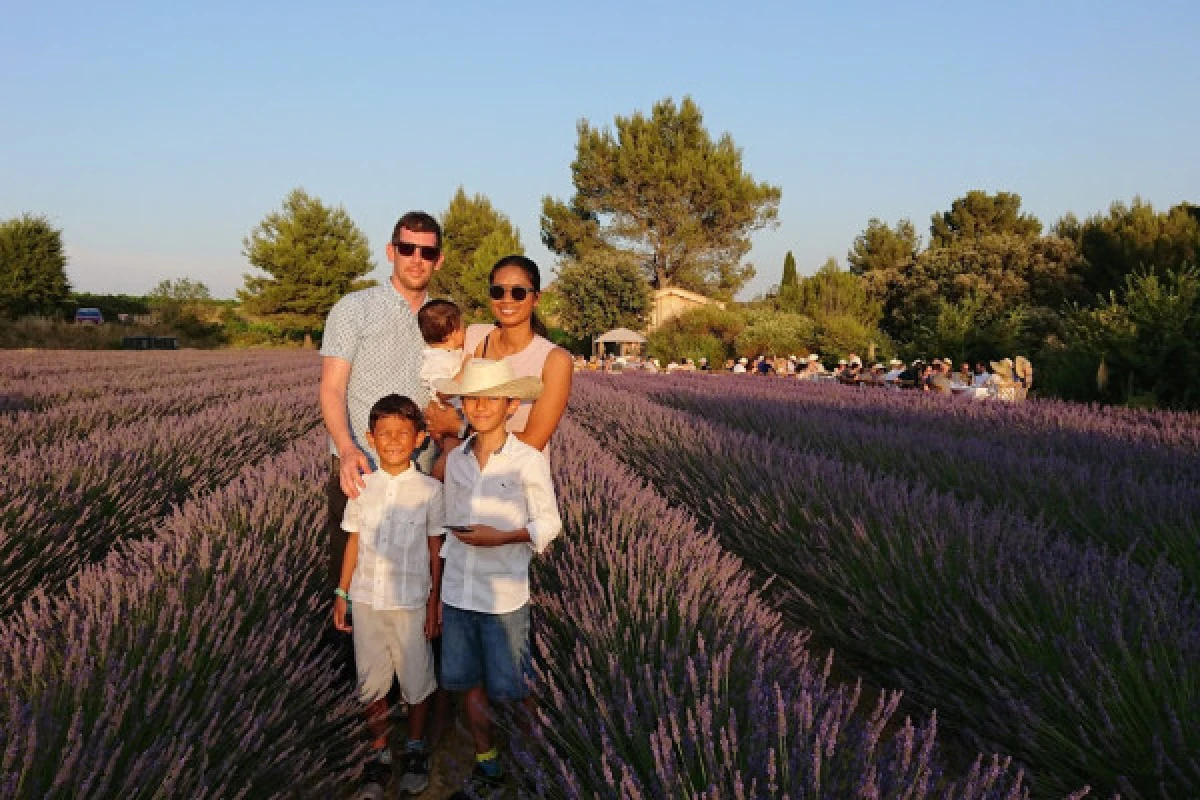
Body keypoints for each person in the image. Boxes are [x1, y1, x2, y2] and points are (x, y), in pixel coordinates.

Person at [435, 359, 563, 798]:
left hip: (505, 596)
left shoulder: (528, 460)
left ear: (510, 405)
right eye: (472, 398)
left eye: (491, 398)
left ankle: (532, 762)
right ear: (464, 405)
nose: (481, 406)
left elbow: (550, 522)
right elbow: (448, 522)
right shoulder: (455, 462)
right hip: (457, 593)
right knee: (468, 682)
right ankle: (486, 764)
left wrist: (503, 536)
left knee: (514, 686)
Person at [333, 395, 444, 799]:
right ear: (370, 439)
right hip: (366, 599)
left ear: (419, 439)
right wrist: (342, 592)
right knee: (371, 681)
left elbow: (436, 551)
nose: (393, 441)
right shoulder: (362, 488)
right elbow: (353, 542)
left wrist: (435, 604)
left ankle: (415, 750)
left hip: (412, 601)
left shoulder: (430, 491)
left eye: (402, 434)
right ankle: (378, 753)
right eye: (384, 434)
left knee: (416, 678)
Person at [459, 256, 573, 454]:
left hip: (517, 479)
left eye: (518, 293)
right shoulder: (475, 337)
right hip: (469, 474)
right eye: (498, 291)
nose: (507, 299)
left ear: (536, 299)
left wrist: (458, 430)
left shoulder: (554, 360)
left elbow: (532, 442)